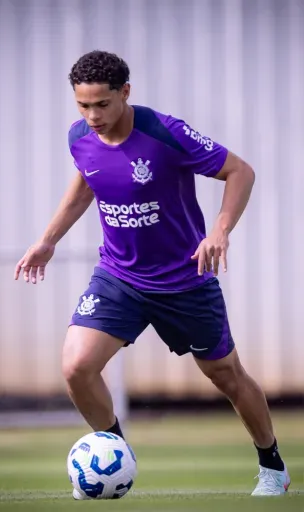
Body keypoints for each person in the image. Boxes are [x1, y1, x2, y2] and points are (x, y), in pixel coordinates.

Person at [15, 50, 288, 498]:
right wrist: (48, 239)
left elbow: (241, 171)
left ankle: (272, 465)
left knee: (227, 376)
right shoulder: (79, 136)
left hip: (186, 279)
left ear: (126, 93)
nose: (92, 115)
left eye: (102, 104)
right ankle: (117, 455)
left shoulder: (166, 133)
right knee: (76, 367)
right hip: (119, 277)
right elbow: (87, 182)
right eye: (83, 105)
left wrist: (219, 231)